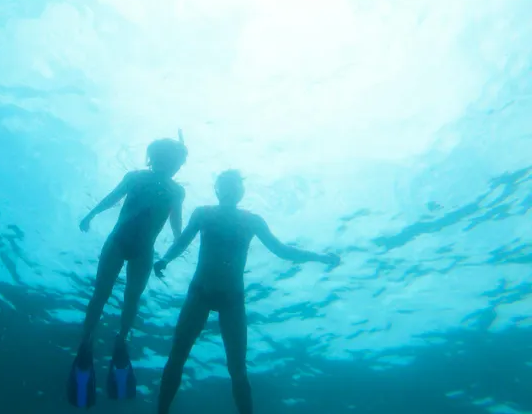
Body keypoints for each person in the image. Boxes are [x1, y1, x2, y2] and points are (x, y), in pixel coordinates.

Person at [154, 169, 340, 414]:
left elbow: (282, 250)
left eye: (234, 185)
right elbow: (183, 241)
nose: (231, 189)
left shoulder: (248, 220)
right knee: (181, 357)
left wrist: (320, 257)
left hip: (227, 297)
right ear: (219, 189)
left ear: (240, 191)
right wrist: (166, 258)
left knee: (235, 368)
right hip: (204, 292)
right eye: (226, 184)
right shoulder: (206, 214)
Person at [67, 134, 188, 408]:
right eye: (174, 160)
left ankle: (117, 340)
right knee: (103, 294)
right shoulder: (136, 178)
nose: (174, 165)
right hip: (121, 244)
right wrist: (91, 214)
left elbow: (176, 223)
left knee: (126, 298)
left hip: (139, 249)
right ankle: (91, 341)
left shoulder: (174, 191)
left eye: (177, 161)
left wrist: (175, 249)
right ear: (157, 158)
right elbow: (113, 198)